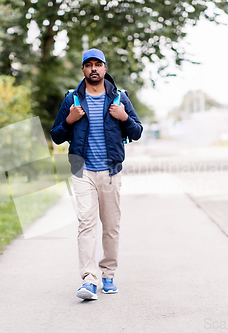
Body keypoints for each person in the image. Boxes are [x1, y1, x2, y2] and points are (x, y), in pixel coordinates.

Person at [51, 48, 143, 300]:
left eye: (98, 64)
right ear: (82, 69)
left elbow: (137, 132)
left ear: (105, 68)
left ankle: (108, 274)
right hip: (83, 172)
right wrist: (69, 121)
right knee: (86, 225)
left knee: (111, 226)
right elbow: (56, 136)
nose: (93, 68)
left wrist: (124, 117)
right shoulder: (72, 99)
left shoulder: (120, 98)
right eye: (88, 64)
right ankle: (89, 280)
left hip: (111, 171)